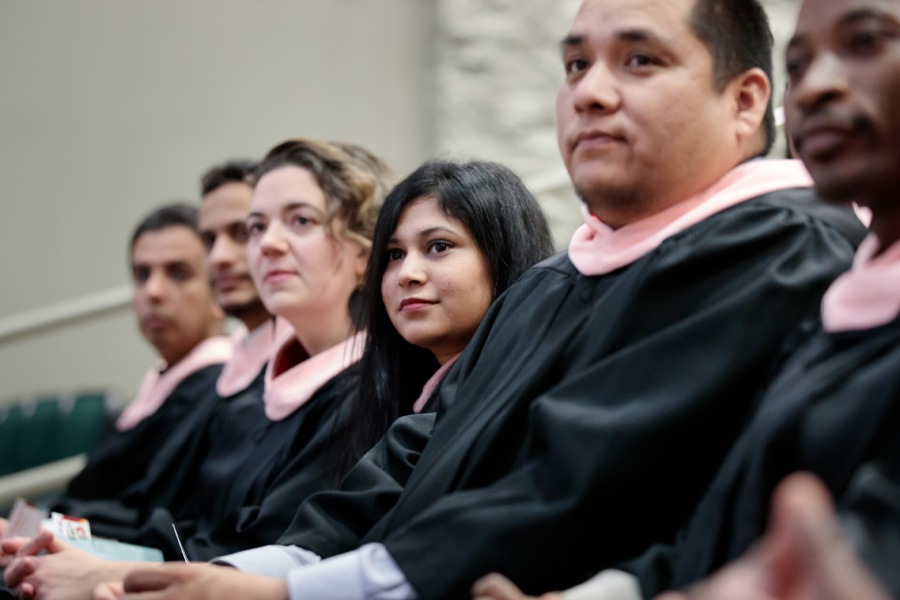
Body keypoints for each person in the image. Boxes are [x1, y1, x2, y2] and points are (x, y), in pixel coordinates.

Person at [65, 0, 867, 598]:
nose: (589, 92)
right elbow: (417, 450)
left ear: (746, 99)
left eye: (640, 61)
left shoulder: (774, 246)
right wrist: (255, 572)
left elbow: (574, 483)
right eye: (575, 66)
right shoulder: (554, 284)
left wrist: (291, 593)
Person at [475, 0, 900, 598]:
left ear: (746, 103)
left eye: (866, 42)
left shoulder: (783, 251)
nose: (815, 87)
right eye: (799, 63)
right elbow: (731, 521)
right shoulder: (848, 300)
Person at [57, 203, 231, 508]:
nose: (153, 291)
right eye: (141, 274)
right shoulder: (161, 380)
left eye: (178, 273)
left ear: (220, 290)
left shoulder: (219, 390)